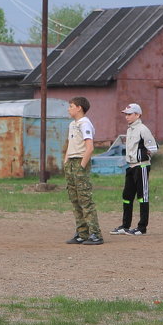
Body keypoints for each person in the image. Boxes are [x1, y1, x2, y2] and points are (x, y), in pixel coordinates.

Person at [111, 103, 158, 235]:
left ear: (138, 115)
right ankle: (125, 225)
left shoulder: (143, 129)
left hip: (141, 166)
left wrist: (143, 155)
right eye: (125, 114)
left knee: (142, 197)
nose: (127, 117)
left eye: (130, 114)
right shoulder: (130, 129)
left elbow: (153, 147)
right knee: (127, 196)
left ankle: (142, 227)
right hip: (130, 166)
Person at [62, 96, 103, 245]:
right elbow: (70, 145)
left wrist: (81, 166)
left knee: (85, 200)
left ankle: (95, 234)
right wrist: (66, 162)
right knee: (75, 200)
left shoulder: (85, 123)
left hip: (80, 161)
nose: (69, 108)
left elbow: (90, 147)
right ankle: (82, 233)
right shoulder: (73, 124)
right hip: (71, 162)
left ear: (79, 108)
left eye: (71, 106)